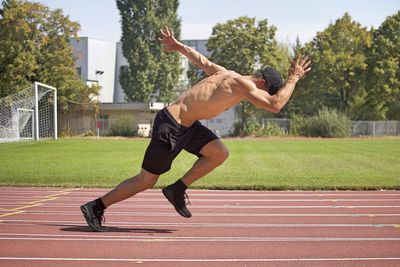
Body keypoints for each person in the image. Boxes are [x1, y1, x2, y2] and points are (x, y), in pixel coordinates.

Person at [80, 26, 311, 232]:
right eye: (266, 91)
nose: (263, 96)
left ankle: (176, 190)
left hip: (188, 127)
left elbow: (203, 61)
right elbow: (276, 104)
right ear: (262, 83)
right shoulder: (244, 84)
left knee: (219, 153)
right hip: (171, 125)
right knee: (146, 180)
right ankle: (95, 207)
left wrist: (178, 46)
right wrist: (295, 78)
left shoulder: (227, 74)